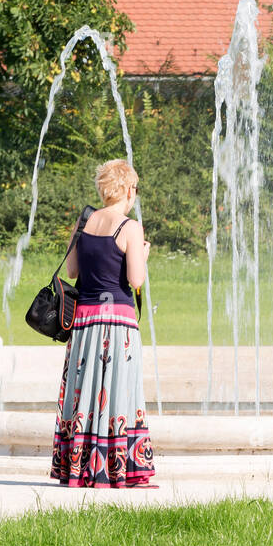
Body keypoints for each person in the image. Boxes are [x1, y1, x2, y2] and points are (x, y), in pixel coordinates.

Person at [50, 159, 157, 489]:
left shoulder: (84, 222)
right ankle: (116, 467)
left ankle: (78, 464)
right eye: (135, 189)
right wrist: (143, 255)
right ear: (127, 189)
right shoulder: (130, 228)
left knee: (85, 392)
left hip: (84, 322)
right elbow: (135, 278)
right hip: (117, 323)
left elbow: (71, 272)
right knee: (117, 393)